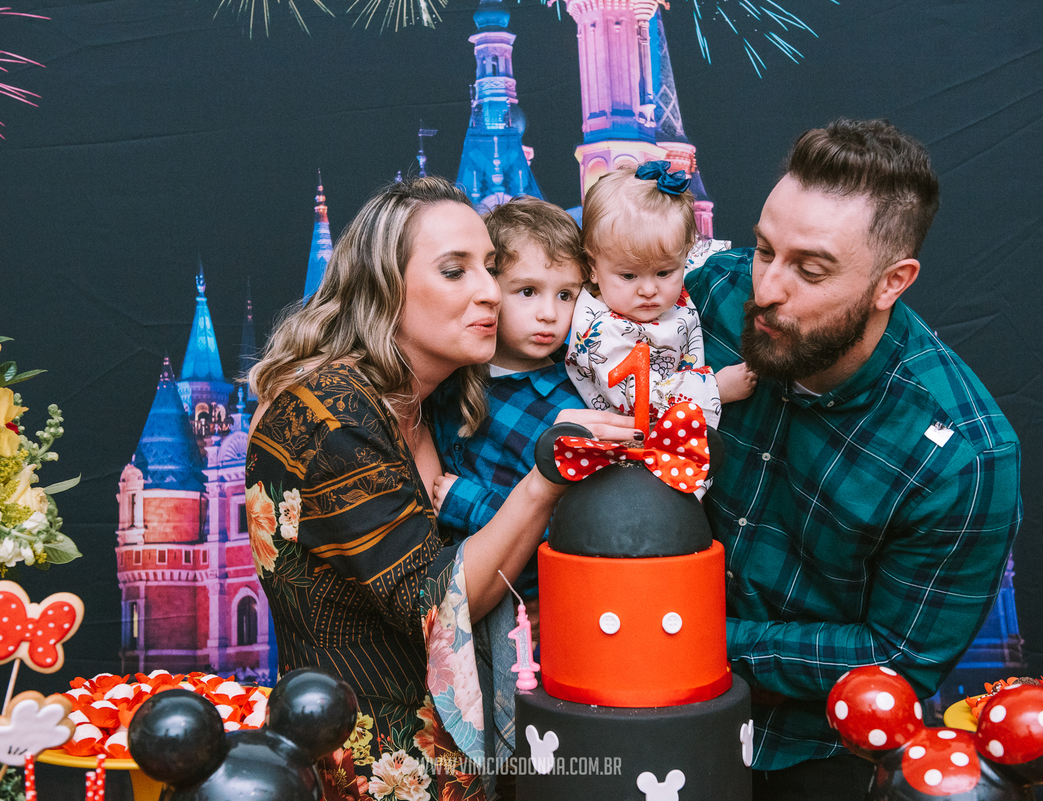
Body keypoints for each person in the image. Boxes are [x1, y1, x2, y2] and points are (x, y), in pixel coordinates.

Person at [244, 177, 634, 801]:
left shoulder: (424, 405)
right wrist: (546, 476)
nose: (490, 292)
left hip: (451, 755)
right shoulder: (333, 416)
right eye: (455, 272)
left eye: (490, 268)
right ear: (383, 288)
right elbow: (437, 606)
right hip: (376, 768)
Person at [683, 119, 1023, 800]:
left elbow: (896, 658)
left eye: (810, 270)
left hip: (816, 754)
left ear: (891, 282)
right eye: (763, 249)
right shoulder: (707, 298)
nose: (766, 289)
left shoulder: (962, 457)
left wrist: (688, 634)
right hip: (640, 710)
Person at [430, 196, 589, 623]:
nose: (549, 314)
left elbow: (573, 529)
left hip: (520, 613)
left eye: (566, 295)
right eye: (527, 291)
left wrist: (469, 503)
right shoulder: (451, 375)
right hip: (441, 598)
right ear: (489, 288)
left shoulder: (567, 409)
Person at [567, 161, 757, 432]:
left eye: (664, 272)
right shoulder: (602, 333)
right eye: (629, 276)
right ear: (593, 267)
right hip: (643, 445)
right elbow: (640, 401)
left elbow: (696, 256)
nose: (648, 290)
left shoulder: (669, 265)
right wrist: (716, 388)